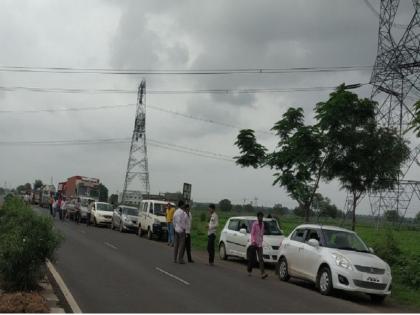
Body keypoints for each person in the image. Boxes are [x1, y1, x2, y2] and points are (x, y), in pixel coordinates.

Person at [247, 212, 268, 279]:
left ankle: (262, 273)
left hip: (259, 244)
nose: (261, 218)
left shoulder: (263, 224)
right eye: (259, 216)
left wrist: (262, 240)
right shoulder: (254, 224)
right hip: (254, 243)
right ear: (257, 217)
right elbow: (252, 234)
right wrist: (253, 241)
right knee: (252, 258)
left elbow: (262, 234)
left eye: (262, 217)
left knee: (261, 259)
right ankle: (249, 270)